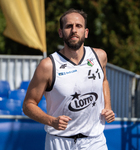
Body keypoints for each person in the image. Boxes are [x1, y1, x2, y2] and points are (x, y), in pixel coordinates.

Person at [23, 8, 115, 150]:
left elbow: (103, 80)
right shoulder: (48, 65)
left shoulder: (99, 56)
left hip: (95, 141)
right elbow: (28, 105)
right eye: (68, 26)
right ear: (61, 32)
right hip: (59, 141)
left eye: (78, 26)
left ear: (86, 32)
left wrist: (107, 106)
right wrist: (51, 121)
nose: (74, 30)